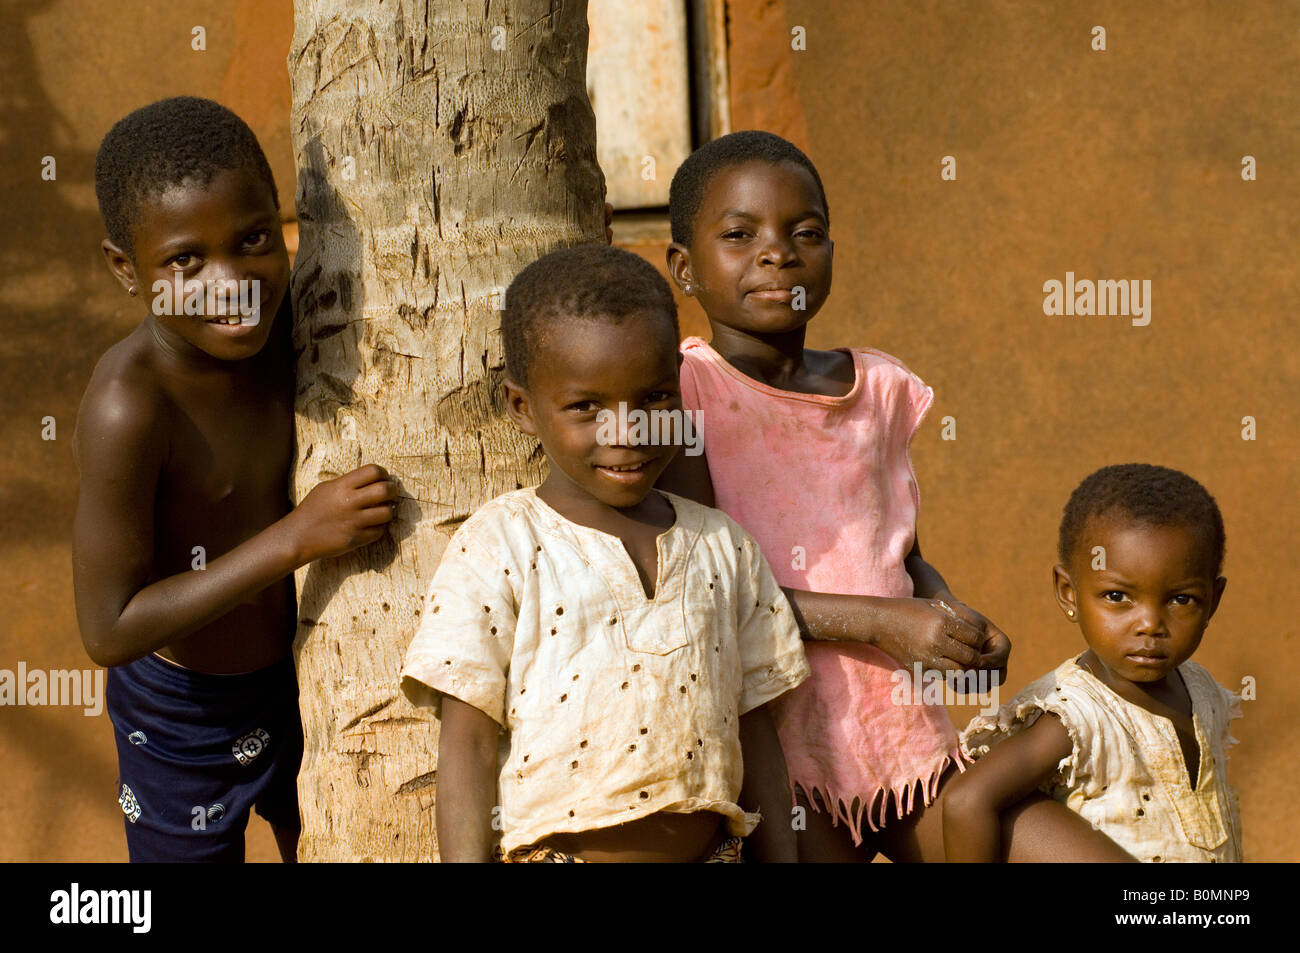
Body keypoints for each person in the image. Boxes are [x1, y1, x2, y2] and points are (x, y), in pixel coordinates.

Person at [658, 130, 1132, 861]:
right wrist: (883, 622)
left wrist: (946, 619)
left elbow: (902, 555)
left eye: (805, 231)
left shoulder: (876, 389)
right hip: (779, 757)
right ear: (685, 268)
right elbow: (707, 588)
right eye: (739, 234)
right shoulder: (691, 393)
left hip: (904, 738)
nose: (777, 252)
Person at [401, 244, 809, 862]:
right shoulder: (502, 545)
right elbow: (469, 748)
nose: (627, 432)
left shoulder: (723, 547)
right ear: (523, 407)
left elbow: (755, 729)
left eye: (652, 398)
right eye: (586, 406)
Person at [75, 96, 398, 861]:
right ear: (127, 268)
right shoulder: (130, 405)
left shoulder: (305, 330)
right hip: (178, 716)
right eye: (185, 260)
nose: (231, 282)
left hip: (306, 675)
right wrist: (294, 538)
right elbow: (108, 627)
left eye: (253, 239)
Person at [945, 464, 1241, 862]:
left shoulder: (1201, 690)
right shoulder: (1076, 716)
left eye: (1181, 599)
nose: (1150, 624)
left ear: (1214, 601)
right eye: (1118, 597)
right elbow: (966, 801)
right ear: (1069, 593)